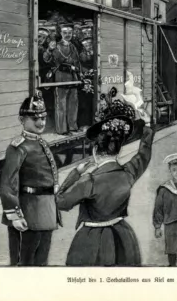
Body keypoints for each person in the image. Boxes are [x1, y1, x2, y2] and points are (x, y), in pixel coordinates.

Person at [55, 108, 155, 266]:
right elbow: (144, 155)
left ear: (95, 151)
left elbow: (60, 202)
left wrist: (75, 173)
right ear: (118, 150)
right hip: (123, 237)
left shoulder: (89, 180)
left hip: (91, 239)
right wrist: (147, 125)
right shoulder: (128, 173)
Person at [0, 92, 61, 266]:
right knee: (24, 263)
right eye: (35, 119)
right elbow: (8, 184)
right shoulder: (18, 147)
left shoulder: (42, 143)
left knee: (41, 262)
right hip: (28, 214)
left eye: (43, 118)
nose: (41, 122)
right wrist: (15, 215)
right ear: (22, 119)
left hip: (46, 212)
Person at [43, 23, 82, 135]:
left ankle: (73, 127)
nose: (67, 35)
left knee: (73, 104)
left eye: (70, 33)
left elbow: (77, 62)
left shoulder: (73, 47)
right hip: (60, 78)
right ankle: (62, 130)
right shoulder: (55, 45)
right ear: (61, 33)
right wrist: (49, 50)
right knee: (61, 105)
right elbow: (46, 59)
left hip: (73, 79)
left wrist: (79, 73)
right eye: (65, 32)